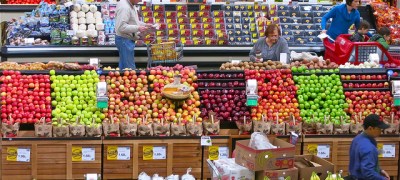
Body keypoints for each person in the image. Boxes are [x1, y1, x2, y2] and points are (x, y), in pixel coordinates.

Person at [348, 114, 390, 180]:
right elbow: (368, 173)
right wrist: (383, 179)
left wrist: (380, 170)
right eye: (379, 129)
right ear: (370, 128)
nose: (381, 131)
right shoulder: (369, 148)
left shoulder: (357, 138)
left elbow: (365, 163)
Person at [115, 0, 153, 70]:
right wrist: (138, 28)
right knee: (129, 69)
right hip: (124, 40)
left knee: (124, 66)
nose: (141, 0)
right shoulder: (125, 7)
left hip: (126, 39)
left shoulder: (131, 4)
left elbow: (132, 21)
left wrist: (145, 24)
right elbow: (121, 27)